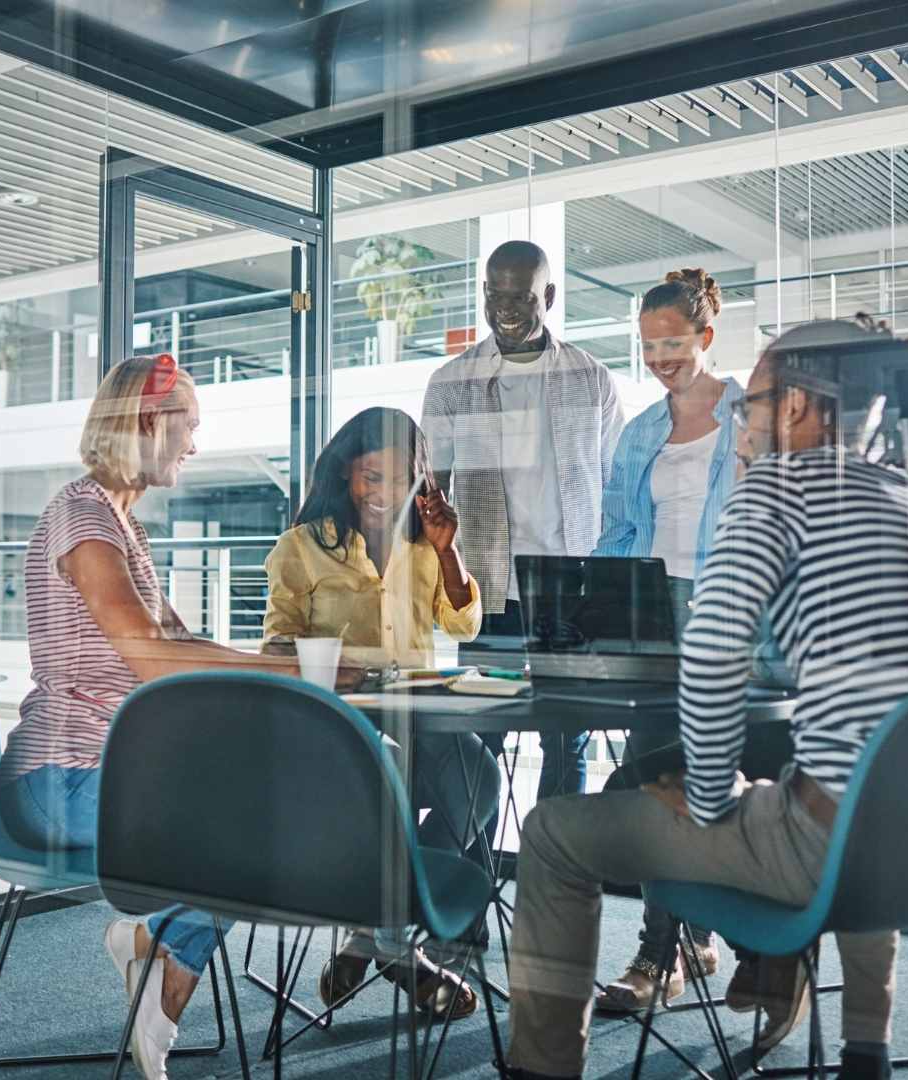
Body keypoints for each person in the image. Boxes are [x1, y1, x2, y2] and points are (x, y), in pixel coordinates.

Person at [502, 316, 908, 1080]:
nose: (739, 422)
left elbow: (708, 658)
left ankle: (542, 1071)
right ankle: (865, 1049)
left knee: (551, 833)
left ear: (797, 408)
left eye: (752, 403)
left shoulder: (777, 488)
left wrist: (711, 804)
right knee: (869, 790)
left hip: (820, 851)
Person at [0, 353, 351, 1080]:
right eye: (189, 426)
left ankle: (150, 957)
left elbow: (182, 643)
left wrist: (288, 666)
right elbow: (153, 658)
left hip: (115, 770)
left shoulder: (124, 529)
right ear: (149, 423)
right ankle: (161, 989)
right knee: (245, 831)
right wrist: (297, 670)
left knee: (263, 812)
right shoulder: (81, 516)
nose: (194, 444)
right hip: (60, 778)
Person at [260, 406, 499, 1019]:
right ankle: (398, 940)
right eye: (370, 477)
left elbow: (462, 624)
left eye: (396, 479)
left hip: (419, 719)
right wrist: (329, 663)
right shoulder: (302, 548)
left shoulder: (426, 545)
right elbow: (276, 647)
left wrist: (449, 552)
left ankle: (374, 931)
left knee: (481, 780)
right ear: (345, 476)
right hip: (343, 733)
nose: (382, 493)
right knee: (387, 768)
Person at [420, 239, 624, 882]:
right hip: (489, 579)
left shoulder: (590, 378)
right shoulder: (451, 382)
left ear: (550, 298)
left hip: (569, 578)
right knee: (483, 737)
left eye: (521, 297)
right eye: (494, 296)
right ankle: (469, 890)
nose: (505, 309)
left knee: (567, 738)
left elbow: (616, 483)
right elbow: (432, 488)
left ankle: (550, 881)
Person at [589, 268, 750, 1011]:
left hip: (738, 634)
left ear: (706, 338)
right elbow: (620, 533)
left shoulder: (756, 416)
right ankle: (669, 954)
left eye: (674, 344)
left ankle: (697, 943)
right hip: (661, 633)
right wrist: (595, 606)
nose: (659, 360)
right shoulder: (639, 434)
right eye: (648, 347)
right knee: (657, 788)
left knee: (719, 792)